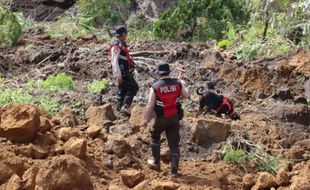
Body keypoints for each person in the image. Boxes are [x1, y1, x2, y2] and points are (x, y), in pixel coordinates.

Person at [143, 63, 189, 177]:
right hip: (174, 118)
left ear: (159, 73)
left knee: (155, 137)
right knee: (174, 145)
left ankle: (156, 162)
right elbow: (186, 95)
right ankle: (174, 172)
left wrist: (146, 120)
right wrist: (181, 82)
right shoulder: (177, 83)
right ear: (169, 72)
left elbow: (150, 105)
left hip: (161, 118)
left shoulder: (155, 87)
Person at [110, 25, 139, 115]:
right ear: (122, 34)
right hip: (122, 71)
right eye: (126, 33)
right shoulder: (116, 45)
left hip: (124, 70)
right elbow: (114, 61)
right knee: (134, 86)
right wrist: (117, 73)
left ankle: (119, 109)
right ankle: (125, 106)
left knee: (123, 89)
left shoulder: (121, 44)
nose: (127, 35)